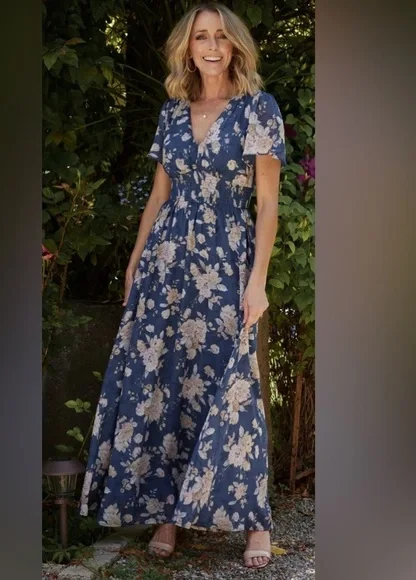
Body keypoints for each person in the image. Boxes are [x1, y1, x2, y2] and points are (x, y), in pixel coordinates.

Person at [79, 2, 286, 570]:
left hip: (225, 264)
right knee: (165, 380)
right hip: (166, 264)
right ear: (187, 48)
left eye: (220, 37)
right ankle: (166, 511)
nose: (211, 46)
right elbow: (158, 195)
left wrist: (258, 281)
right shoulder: (173, 112)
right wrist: (134, 261)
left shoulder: (258, 109)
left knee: (231, 382)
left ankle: (255, 520)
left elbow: (267, 204)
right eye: (201, 37)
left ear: (235, 44)